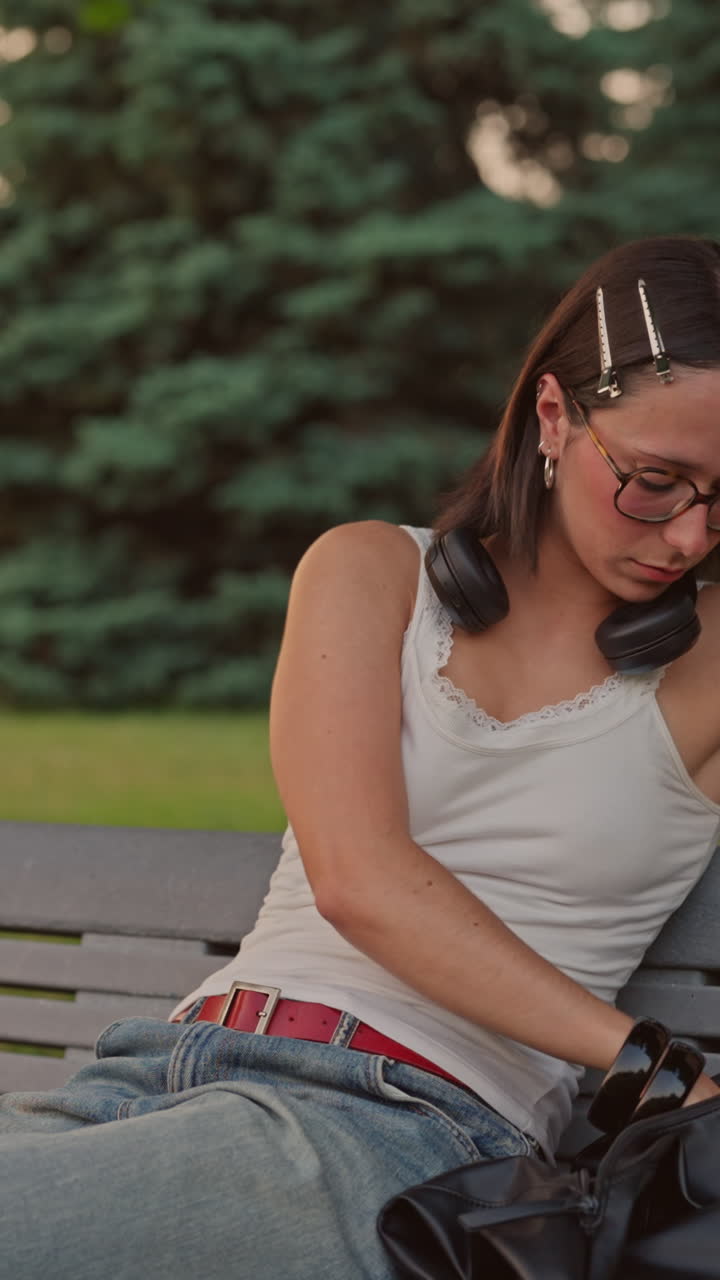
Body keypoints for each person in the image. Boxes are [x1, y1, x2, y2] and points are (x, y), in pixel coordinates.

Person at [1, 235, 720, 1279]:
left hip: (399, 1130)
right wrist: (653, 1069)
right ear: (554, 416)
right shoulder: (369, 571)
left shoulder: (707, 660)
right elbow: (358, 877)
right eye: (656, 480)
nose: (692, 535)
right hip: (150, 1075)